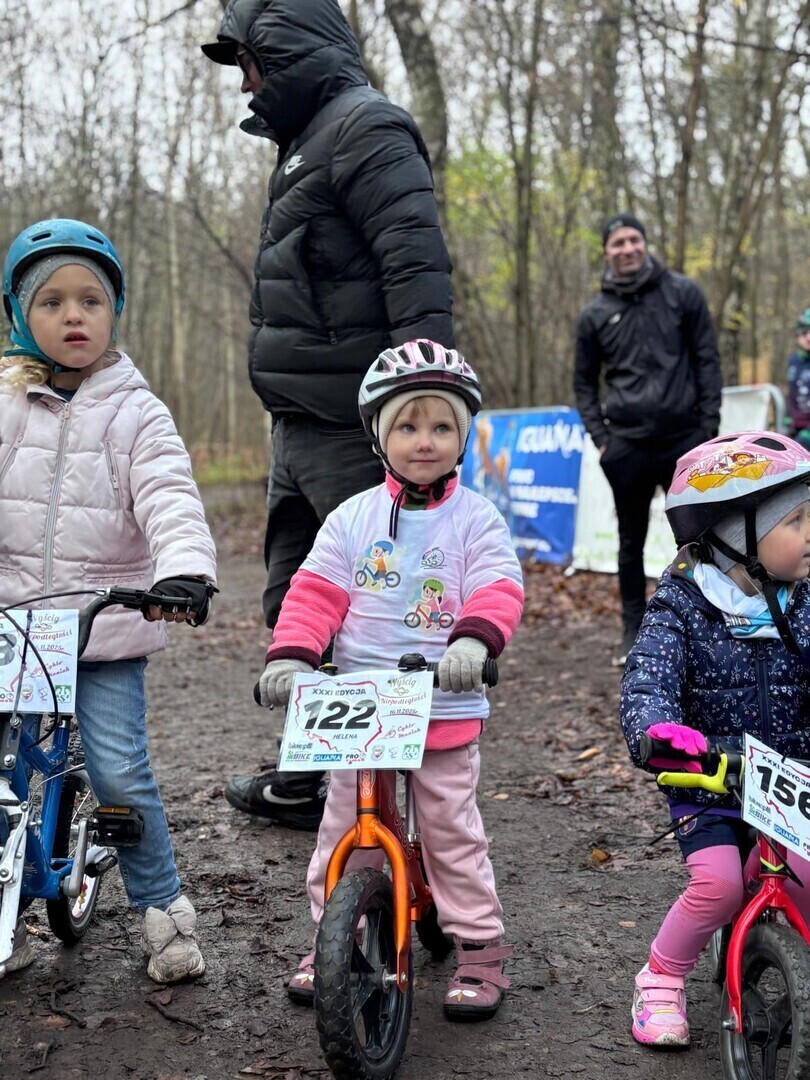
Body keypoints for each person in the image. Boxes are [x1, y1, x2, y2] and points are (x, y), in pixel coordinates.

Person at [201, 0, 454, 828]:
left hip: (358, 427)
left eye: (249, 60)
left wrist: (421, 408)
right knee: (298, 602)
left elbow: (414, 267)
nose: (244, 80)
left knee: (373, 610)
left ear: (287, 47)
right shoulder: (307, 141)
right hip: (297, 427)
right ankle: (316, 775)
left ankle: (398, 807)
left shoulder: (368, 128)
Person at [258, 340, 524, 1020]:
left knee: (448, 827)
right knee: (342, 824)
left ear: (463, 436)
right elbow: (314, 594)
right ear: (380, 435)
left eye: (442, 427)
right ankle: (334, 938)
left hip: (442, 701)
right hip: (360, 705)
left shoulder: (476, 519)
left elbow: (497, 587)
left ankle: (479, 945)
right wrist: (291, 656)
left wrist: (471, 641)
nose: (425, 441)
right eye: (408, 425)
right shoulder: (352, 520)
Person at [0, 218, 218, 982]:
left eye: (91, 299)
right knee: (3, 771)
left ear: (114, 311)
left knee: (122, 771)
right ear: (20, 315)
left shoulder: (137, 411)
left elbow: (170, 498)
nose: (74, 316)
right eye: (52, 301)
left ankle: (162, 913)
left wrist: (182, 571)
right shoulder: (4, 405)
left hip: (103, 634)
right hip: (14, 633)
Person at [620, 430, 810, 1047]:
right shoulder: (684, 603)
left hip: (789, 777)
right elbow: (648, 676)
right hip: (710, 779)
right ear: (737, 534)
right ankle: (661, 978)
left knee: (805, 875)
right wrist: (659, 731)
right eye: (798, 520)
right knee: (720, 883)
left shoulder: (805, 602)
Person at [574, 212, 722, 667]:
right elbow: (583, 384)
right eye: (617, 242)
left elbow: (707, 361)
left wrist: (707, 430)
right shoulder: (595, 313)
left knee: (704, 540)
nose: (627, 248)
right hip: (628, 449)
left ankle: (712, 626)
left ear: (645, 242)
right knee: (629, 544)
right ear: (607, 252)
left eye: (634, 239)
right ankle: (632, 633)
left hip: (685, 443)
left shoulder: (683, 292)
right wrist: (603, 442)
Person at [786, 308, 810, 448]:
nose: (809, 337)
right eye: (805, 332)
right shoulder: (793, 361)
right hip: (796, 428)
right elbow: (792, 395)